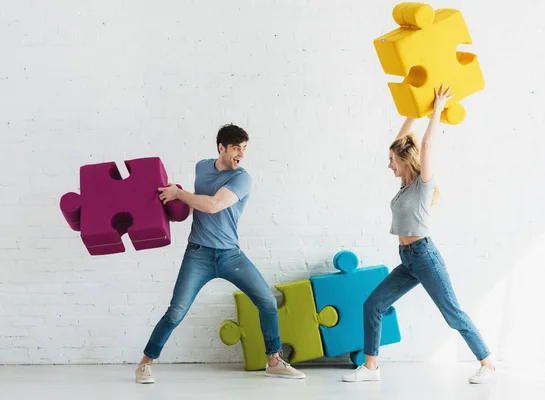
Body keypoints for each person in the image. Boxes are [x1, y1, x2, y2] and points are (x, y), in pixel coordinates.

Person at [342, 85, 496, 384]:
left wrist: (436, 109)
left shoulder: (423, 185)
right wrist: (415, 110)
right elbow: (399, 142)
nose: (389, 165)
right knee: (373, 304)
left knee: (451, 312)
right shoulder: (403, 187)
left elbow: (426, 146)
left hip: (425, 256)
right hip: (408, 259)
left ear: (404, 162)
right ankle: (371, 368)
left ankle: (487, 363)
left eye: (392, 161)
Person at [135, 124, 305, 383]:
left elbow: (213, 205)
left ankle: (274, 361)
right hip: (198, 254)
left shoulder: (242, 178)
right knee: (176, 311)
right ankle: (145, 363)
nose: (242, 154)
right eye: (237, 148)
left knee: (267, 302)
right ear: (221, 148)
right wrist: (176, 201)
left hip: (230, 256)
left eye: (245, 148)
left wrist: (180, 193)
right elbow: (197, 204)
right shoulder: (201, 167)